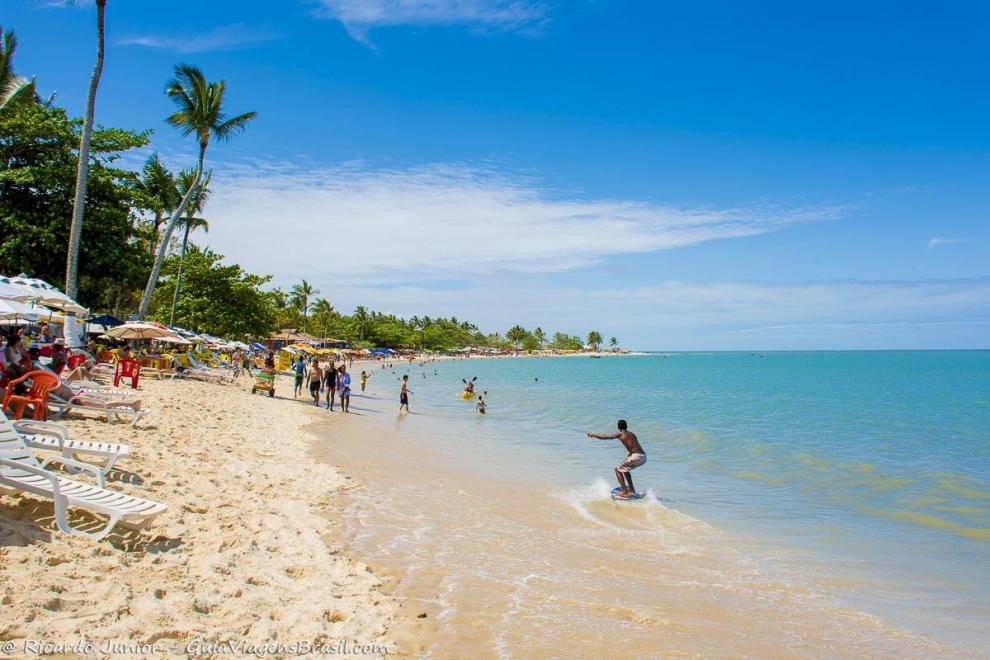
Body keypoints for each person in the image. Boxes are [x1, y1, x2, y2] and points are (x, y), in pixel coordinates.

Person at [587, 419, 646, 500]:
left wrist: (593, 435)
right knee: (625, 470)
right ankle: (631, 489)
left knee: (617, 470)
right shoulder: (632, 434)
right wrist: (630, 457)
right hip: (643, 456)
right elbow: (634, 447)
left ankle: (624, 492)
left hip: (635, 456)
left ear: (618, 427)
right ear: (626, 426)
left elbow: (605, 437)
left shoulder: (620, 434)